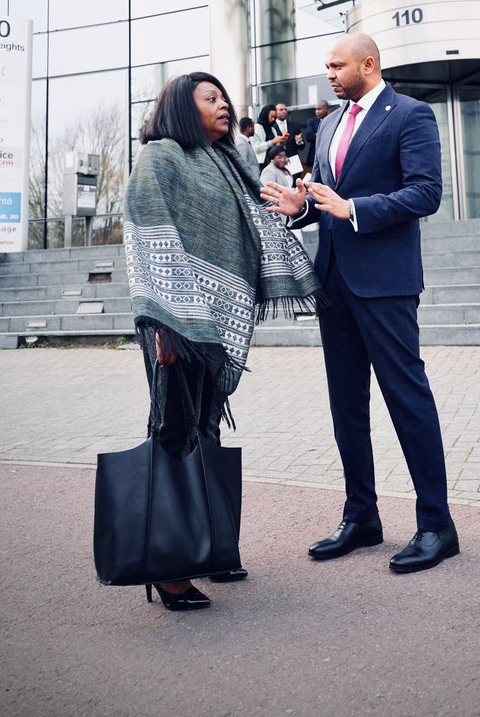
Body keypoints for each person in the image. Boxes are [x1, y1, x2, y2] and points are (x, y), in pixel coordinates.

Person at [261, 33, 458, 574]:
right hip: (334, 283)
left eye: (336, 64)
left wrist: (353, 208)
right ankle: (362, 516)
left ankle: (437, 525)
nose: (328, 73)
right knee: (346, 405)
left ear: (368, 64)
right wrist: (301, 206)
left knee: (406, 398)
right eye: (326, 65)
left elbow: (426, 192)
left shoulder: (411, 115)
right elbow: (323, 198)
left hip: (386, 282)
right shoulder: (326, 125)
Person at [124, 72, 321, 611]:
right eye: (209, 99)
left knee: (206, 425)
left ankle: (210, 544)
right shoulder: (161, 157)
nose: (224, 106)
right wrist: (168, 322)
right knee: (175, 429)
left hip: (216, 322)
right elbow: (148, 237)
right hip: (179, 321)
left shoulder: (231, 162)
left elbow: (256, 222)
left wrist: (297, 205)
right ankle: (169, 565)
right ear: (182, 109)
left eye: (224, 98)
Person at [303, 99, 331, 169]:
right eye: (315, 109)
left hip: (330, 156)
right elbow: (308, 136)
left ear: (326, 109)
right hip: (315, 157)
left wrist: (316, 134)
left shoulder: (333, 120)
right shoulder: (312, 121)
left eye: (319, 109)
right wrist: (326, 134)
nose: (316, 112)